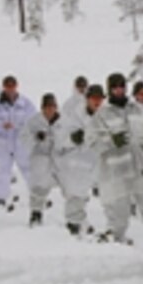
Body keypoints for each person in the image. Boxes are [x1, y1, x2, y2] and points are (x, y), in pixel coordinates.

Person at [87, 73, 143, 245]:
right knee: (118, 210)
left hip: (140, 167)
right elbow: (91, 141)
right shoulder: (101, 115)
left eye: (122, 86)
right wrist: (111, 141)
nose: (119, 90)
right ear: (109, 89)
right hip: (116, 172)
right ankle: (115, 242)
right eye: (115, 87)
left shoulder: (138, 110)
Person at [56, 84, 104, 236]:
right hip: (79, 160)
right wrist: (73, 138)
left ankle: (114, 231)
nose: (97, 102)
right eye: (94, 98)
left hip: (100, 160)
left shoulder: (107, 115)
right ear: (87, 99)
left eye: (99, 98)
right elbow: (61, 139)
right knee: (76, 192)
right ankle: (74, 225)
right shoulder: (75, 115)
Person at [0, 75, 36, 207]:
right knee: (2, 169)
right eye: (7, 87)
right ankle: (0, 196)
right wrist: (1, 126)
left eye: (12, 86)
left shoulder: (25, 103)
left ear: (16, 86)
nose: (10, 89)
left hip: (20, 142)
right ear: (4, 87)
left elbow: (33, 119)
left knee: (27, 168)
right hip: (3, 142)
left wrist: (20, 126)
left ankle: (37, 195)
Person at [20, 93, 64, 227]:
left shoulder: (63, 121)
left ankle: (74, 217)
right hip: (40, 156)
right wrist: (35, 138)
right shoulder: (34, 121)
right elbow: (23, 138)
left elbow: (69, 137)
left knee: (70, 185)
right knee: (39, 185)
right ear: (42, 108)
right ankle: (36, 212)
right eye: (47, 107)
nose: (50, 110)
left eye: (52, 107)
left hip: (59, 157)